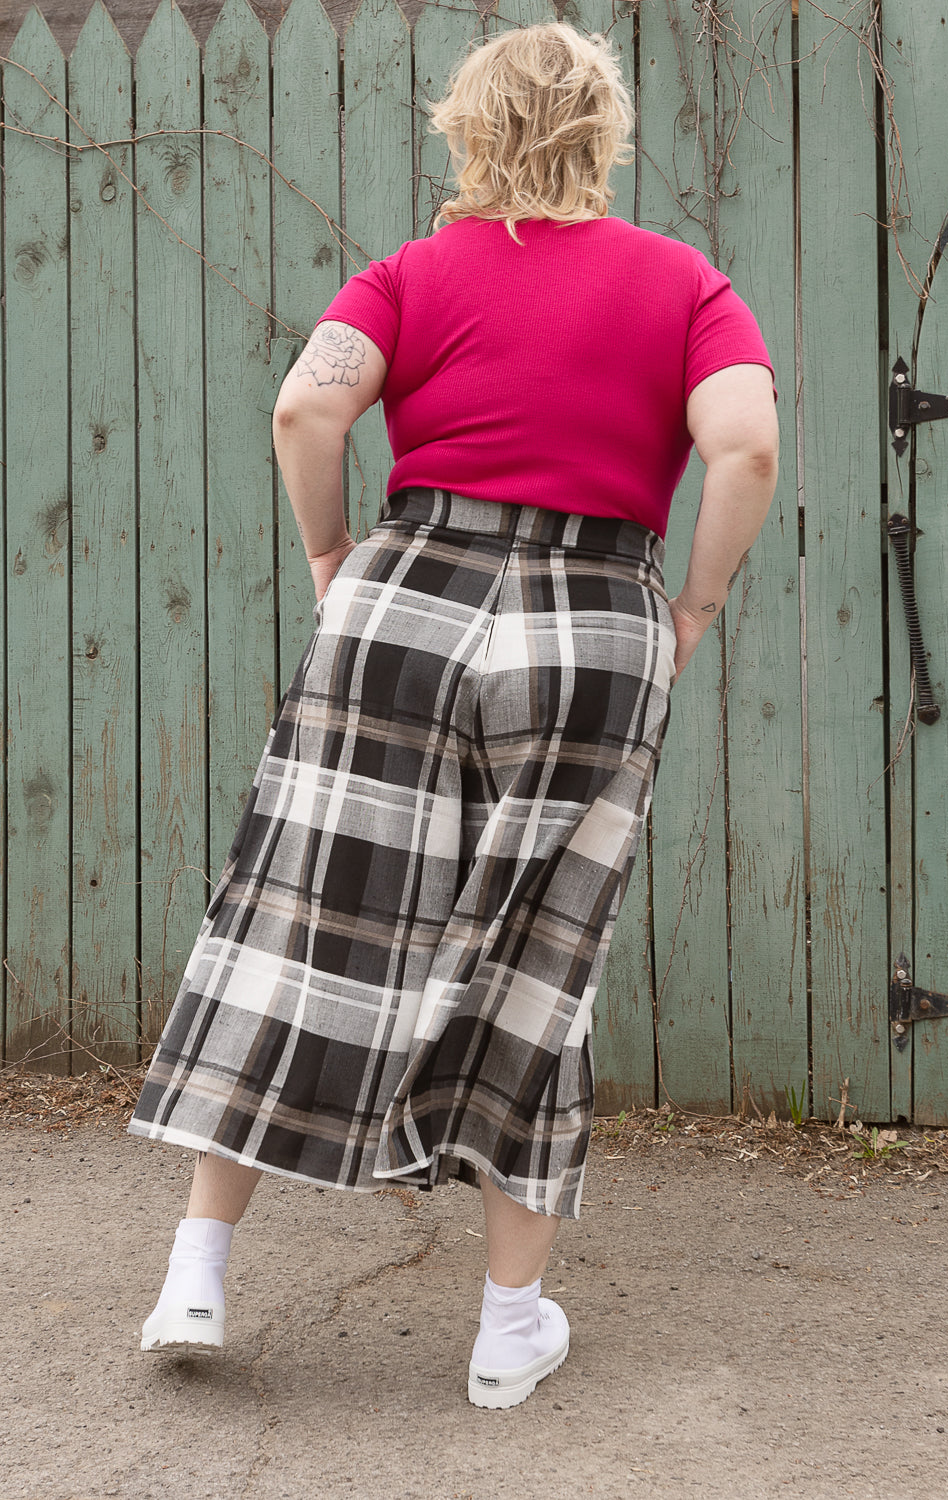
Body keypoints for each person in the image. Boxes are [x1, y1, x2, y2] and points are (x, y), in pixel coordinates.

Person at [128, 20, 778, 1410]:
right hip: (594, 614)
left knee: (302, 923)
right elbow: (746, 445)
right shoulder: (684, 285)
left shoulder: (412, 274)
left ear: (466, 131)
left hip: (407, 593)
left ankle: (195, 1272)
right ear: (603, 132)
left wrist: (326, 557)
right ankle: (505, 1328)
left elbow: (309, 411)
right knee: (537, 961)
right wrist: (697, 608)